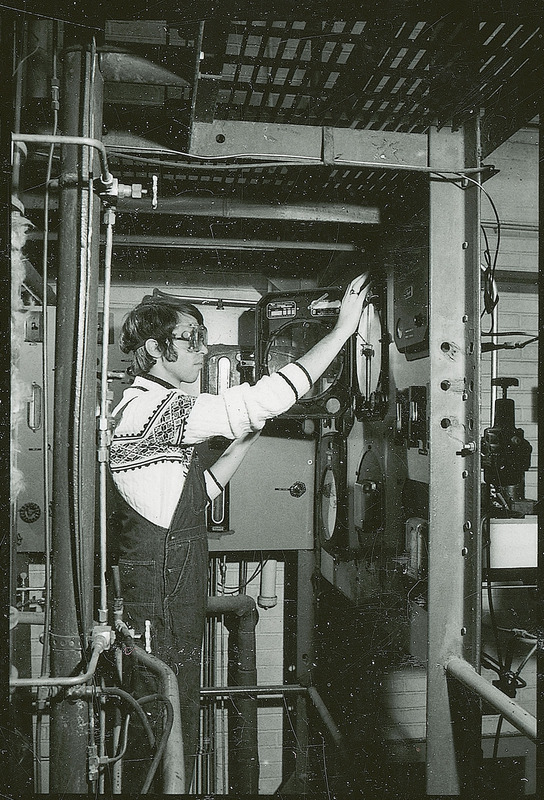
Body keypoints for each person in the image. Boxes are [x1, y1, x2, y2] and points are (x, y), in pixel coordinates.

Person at [108, 274, 369, 790]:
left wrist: (246, 438)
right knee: (164, 723)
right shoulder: (150, 409)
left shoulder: (150, 407)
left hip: (165, 587)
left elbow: (192, 492)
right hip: (160, 593)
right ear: (155, 350)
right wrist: (342, 332)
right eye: (190, 339)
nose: (201, 351)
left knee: (170, 715)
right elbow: (253, 401)